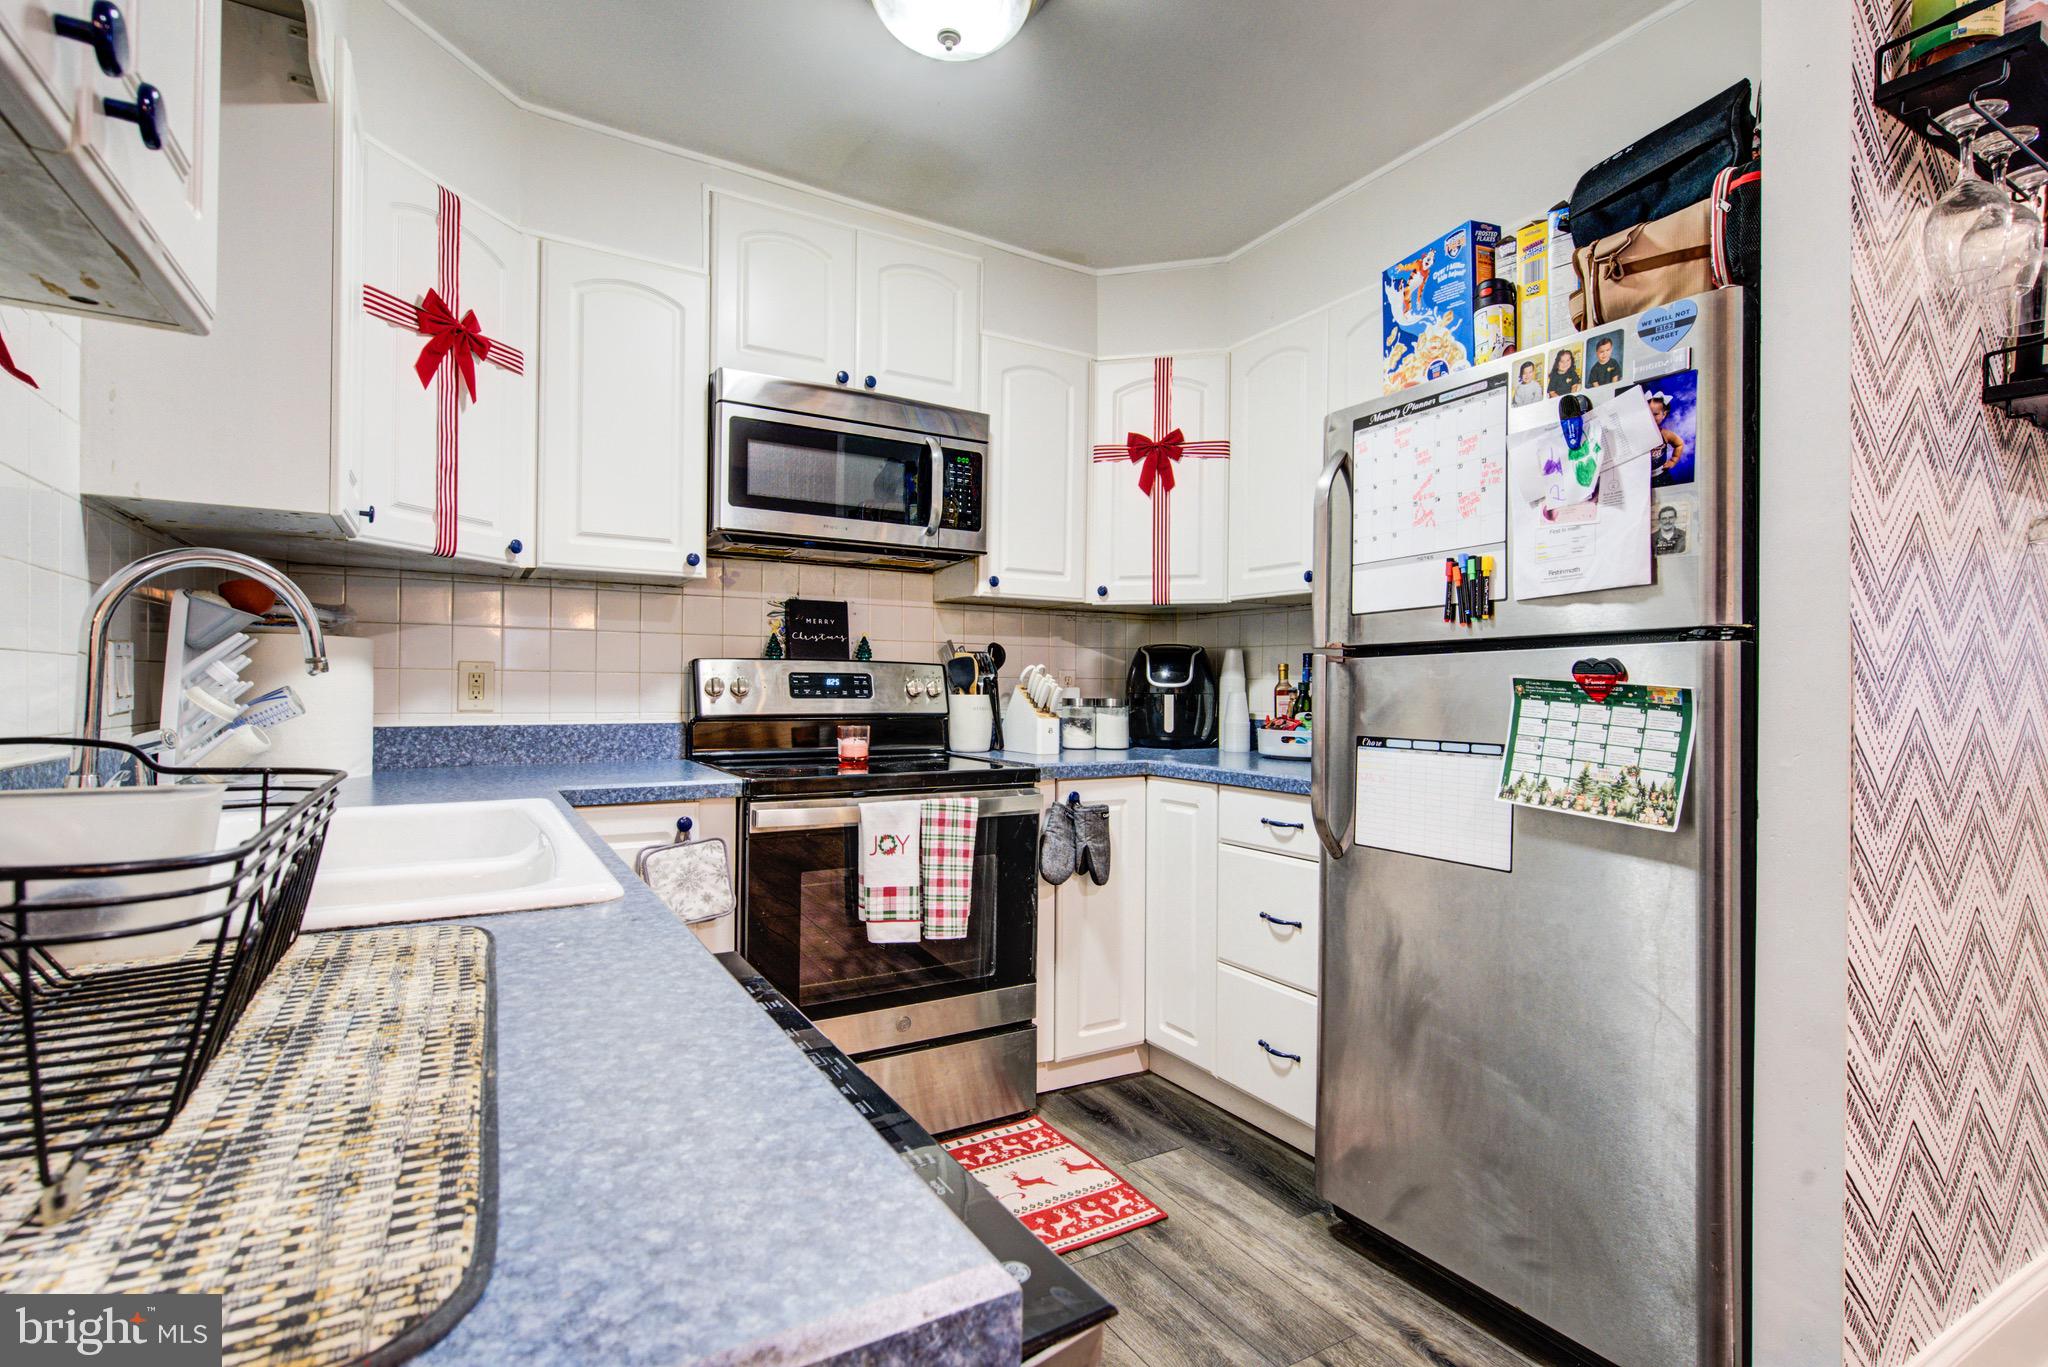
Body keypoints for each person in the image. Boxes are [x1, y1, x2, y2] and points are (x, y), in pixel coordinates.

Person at [1649, 393, 1688, 485]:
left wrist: (1673, 460)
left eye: (1655, 414)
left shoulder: (1665, 434)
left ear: (1664, 414)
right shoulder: (1639, 433)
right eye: (1648, 413)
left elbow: (1679, 444)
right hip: (1643, 477)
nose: (1651, 417)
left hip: (1662, 476)